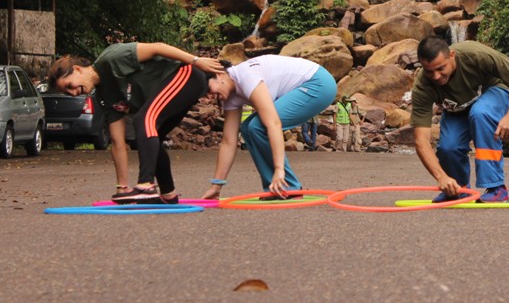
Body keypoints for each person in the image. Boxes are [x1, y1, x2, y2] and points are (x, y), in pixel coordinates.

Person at [48, 43, 224, 203]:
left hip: (184, 74)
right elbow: (118, 142)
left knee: (143, 119)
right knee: (148, 137)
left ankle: (146, 185)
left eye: (69, 85)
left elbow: (157, 48)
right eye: (67, 92)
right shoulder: (104, 98)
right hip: (174, 91)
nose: (73, 93)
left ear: (78, 69)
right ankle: (168, 193)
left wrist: (196, 60)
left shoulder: (111, 58)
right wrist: (122, 187)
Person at [411, 36, 509, 203]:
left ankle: (496, 188)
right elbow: (421, 141)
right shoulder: (423, 86)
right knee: (449, 147)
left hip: (496, 91)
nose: (435, 76)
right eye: (429, 71)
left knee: (480, 113)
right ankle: (457, 189)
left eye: (441, 68)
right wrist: (442, 178)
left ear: (452, 55)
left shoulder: (474, 54)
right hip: (459, 108)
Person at [202, 55, 336, 199]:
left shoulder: (246, 76)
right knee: (248, 129)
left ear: (219, 74)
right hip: (308, 85)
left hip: (318, 83)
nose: (209, 98)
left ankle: (287, 186)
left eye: (208, 89)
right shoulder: (231, 96)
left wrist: (279, 169)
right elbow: (228, 141)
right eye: (204, 95)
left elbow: (273, 124)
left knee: (257, 126)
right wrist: (216, 186)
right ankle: (277, 187)